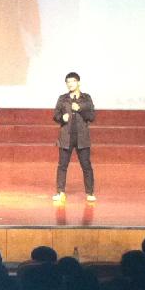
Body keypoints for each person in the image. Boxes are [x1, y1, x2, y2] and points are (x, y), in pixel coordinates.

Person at [52, 72, 96, 202]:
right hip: (66, 137)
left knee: (86, 166)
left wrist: (80, 108)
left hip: (82, 137)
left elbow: (92, 116)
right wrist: (62, 118)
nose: (70, 84)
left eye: (73, 81)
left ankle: (90, 193)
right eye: (68, 82)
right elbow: (55, 116)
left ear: (78, 82)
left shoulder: (86, 98)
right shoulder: (62, 98)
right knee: (62, 166)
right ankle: (60, 192)